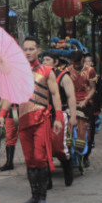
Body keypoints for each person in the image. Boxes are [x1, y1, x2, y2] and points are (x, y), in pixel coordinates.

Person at [0, 36, 63, 203]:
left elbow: (55, 95)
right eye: (25, 49)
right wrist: (2, 114)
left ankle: (42, 197)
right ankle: (34, 195)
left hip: (42, 119)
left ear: (38, 51)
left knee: (40, 157)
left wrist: (59, 118)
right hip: (24, 121)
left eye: (31, 49)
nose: (28, 52)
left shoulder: (48, 71)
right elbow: (10, 94)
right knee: (29, 159)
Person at [41, 51, 76, 186]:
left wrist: (73, 116)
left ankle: (68, 170)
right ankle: (47, 181)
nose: (44, 62)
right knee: (44, 148)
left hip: (60, 114)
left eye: (48, 60)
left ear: (55, 62)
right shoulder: (39, 76)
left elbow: (71, 96)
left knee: (58, 147)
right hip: (44, 115)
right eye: (43, 59)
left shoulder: (63, 76)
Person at [67, 51, 97, 168]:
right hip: (72, 102)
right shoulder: (68, 70)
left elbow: (93, 88)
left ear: (82, 59)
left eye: (78, 63)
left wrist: (85, 100)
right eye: (74, 63)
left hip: (86, 103)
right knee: (70, 129)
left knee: (88, 131)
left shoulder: (90, 70)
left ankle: (86, 156)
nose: (76, 66)